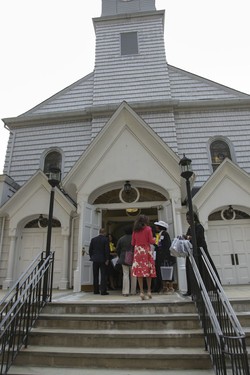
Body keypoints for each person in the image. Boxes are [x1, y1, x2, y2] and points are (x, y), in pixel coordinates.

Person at [183, 211, 220, 296]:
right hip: (192, 251)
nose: (188, 220)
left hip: (200, 252)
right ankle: (192, 290)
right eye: (187, 219)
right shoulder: (190, 228)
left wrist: (188, 237)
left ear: (194, 218)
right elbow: (189, 238)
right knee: (191, 270)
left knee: (204, 269)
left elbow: (198, 238)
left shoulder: (199, 227)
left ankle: (208, 288)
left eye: (189, 219)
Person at [131, 215, 156, 300]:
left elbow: (133, 242)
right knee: (148, 271)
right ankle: (149, 291)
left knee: (139, 273)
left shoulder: (135, 230)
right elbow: (151, 241)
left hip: (138, 251)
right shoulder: (148, 229)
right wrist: (155, 239)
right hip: (146, 250)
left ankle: (141, 292)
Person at [153, 220, 175, 293]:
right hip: (160, 256)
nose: (155, 227)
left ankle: (170, 287)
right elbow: (157, 244)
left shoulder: (165, 234)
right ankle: (164, 287)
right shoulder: (158, 235)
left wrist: (166, 255)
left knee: (168, 271)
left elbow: (167, 245)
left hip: (165, 256)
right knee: (161, 272)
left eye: (157, 226)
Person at [116, 225, 137, 296]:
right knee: (133, 275)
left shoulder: (121, 239)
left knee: (125, 274)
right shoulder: (134, 238)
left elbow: (117, 249)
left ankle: (125, 291)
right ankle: (133, 291)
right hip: (133, 257)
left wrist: (120, 256)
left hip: (123, 257)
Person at [89, 228, 110, 295]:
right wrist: (107, 259)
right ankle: (103, 291)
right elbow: (107, 250)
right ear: (105, 233)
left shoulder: (93, 239)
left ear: (99, 232)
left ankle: (96, 290)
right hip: (103, 260)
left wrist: (92, 257)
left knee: (95, 275)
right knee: (103, 275)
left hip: (95, 259)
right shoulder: (105, 239)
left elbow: (90, 250)